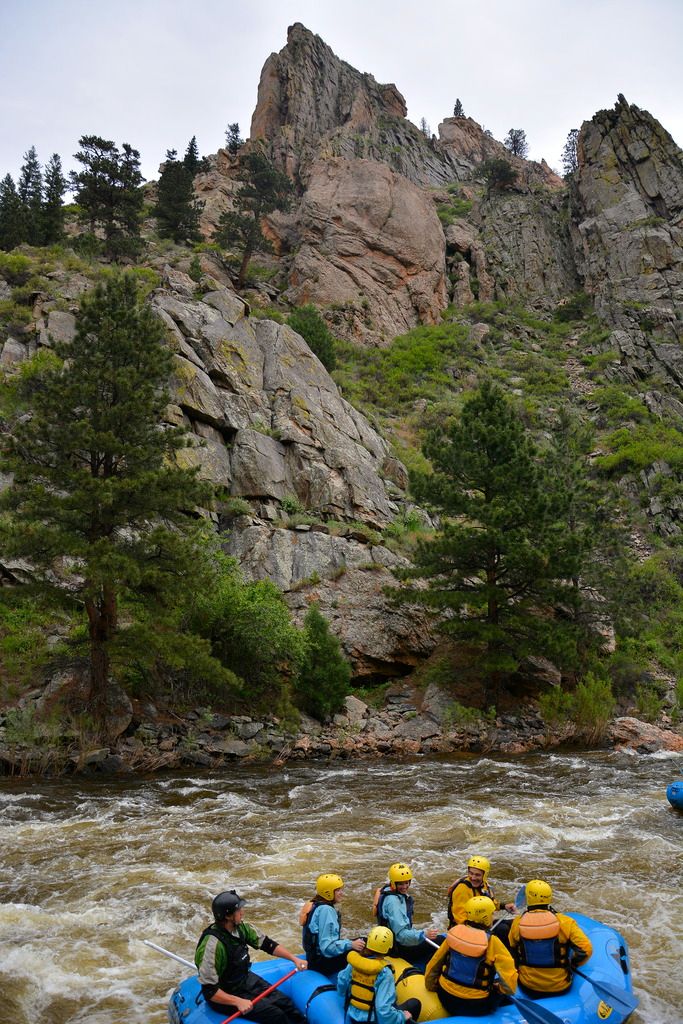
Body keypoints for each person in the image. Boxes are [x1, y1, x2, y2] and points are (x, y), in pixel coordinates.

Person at [195, 889, 308, 1023]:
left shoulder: (241, 928)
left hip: (245, 981)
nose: (242, 912)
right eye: (239, 910)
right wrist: (237, 1001)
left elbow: (268, 945)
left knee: (286, 1004)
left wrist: (294, 959)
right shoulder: (212, 945)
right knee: (276, 1015)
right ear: (228, 916)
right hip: (225, 993)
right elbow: (210, 991)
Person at [424, 895, 518, 1018]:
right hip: (476, 1005)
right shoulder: (492, 942)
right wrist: (499, 989)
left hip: (445, 997)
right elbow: (509, 984)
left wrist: (431, 986)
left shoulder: (454, 933)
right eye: (492, 914)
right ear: (486, 918)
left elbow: (434, 964)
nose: (492, 917)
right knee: (502, 996)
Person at [508, 879, 593, 999]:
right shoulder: (565, 922)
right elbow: (586, 949)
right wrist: (572, 964)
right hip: (560, 987)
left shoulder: (517, 923)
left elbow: (512, 951)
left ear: (528, 898)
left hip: (528, 986)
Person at [337, 925, 421, 1024]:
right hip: (373, 1020)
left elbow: (342, 983)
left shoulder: (354, 963)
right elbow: (383, 1010)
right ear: (388, 948)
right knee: (414, 1004)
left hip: (353, 1017)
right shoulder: (384, 972)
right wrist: (402, 1017)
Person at [300, 873, 365, 976]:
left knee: (359, 941)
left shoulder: (315, 904)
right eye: (338, 890)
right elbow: (327, 948)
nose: (341, 893)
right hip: (323, 963)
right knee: (364, 943)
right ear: (328, 892)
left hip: (313, 957)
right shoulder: (327, 911)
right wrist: (351, 944)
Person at [373, 862, 439, 963]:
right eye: (400, 884)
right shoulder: (393, 903)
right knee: (441, 941)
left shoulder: (387, 889)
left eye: (406, 882)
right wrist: (423, 934)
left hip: (392, 942)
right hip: (398, 948)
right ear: (393, 883)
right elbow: (401, 936)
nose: (404, 887)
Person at [446, 855, 516, 928]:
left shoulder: (484, 885)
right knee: (503, 929)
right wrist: (481, 930)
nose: (473, 878)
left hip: (482, 924)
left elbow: (490, 904)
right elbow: (460, 918)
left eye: (477, 875)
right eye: (471, 873)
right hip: (466, 929)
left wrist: (504, 906)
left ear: (484, 875)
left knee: (511, 923)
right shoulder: (462, 889)